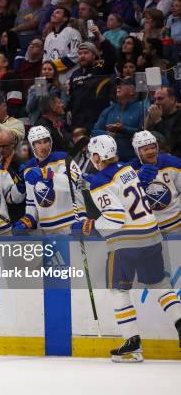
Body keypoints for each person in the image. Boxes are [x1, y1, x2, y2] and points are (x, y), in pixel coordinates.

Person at [72, 134, 181, 362]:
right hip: (152, 235)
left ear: (96, 156)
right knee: (159, 284)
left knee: (117, 290)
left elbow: (115, 217)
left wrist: (87, 226)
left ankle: (132, 344)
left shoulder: (100, 181)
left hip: (127, 242)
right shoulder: (127, 169)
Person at [13, 126, 86, 233]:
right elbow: (32, 204)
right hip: (47, 231)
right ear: (32, 145)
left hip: (72, 224)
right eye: (38, 143)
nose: (43, 146)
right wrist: (28, 220)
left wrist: (48, 175)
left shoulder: (63, 158)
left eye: (46, 141)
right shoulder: (28, 168)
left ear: (50, 142)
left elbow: (75, 183)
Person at [129, 131, 180, 233]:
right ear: (137, 152)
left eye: (153, 147)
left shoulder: (173, 163)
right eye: (145, 149)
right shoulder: (130, 170)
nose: (151, 151)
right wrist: (137, 183)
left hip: (177, 224)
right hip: (150, 229)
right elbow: (126, 202)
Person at [92, 77, 147, 162]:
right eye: (118, 84)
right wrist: (109, 134)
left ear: (133, 91)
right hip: (110, 161)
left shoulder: (142, 108)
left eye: (123, 84)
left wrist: (123, 129)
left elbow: (144, 133)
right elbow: (94, 131)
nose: (118, 86)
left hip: (133, 160)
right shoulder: (108, 110)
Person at [68, 37, 116, 133]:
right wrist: (69, 110)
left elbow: (112, 55)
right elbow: (72, 96)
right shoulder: (75, 74)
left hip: (97, 121)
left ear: (94, 55)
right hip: (78, 121)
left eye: (86, 53)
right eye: (80, 53)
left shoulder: (102, 69)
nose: (82, 56)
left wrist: (99, 36)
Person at [43, 6, 82, 84]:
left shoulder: (72, 32)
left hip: (69, 78)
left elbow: (76, 55)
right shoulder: (48, 36)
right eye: (53, 13)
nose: (53, 14)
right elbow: (45, 59)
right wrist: (48, 71)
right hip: (52, 79)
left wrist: (52, 67)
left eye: (57, 12)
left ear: (65, 18)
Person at [144, 87, 180, 156]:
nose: (156, 102)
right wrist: (148, 122)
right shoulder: (155, 116)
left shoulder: (178, 116)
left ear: (172, 99)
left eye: (160, 99)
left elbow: (171, 143)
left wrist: (158, 121)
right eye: (155, 99)